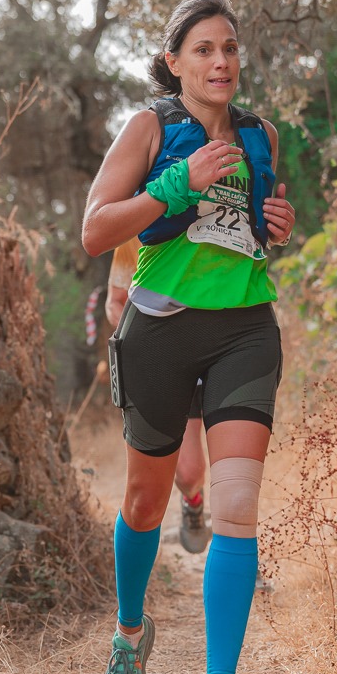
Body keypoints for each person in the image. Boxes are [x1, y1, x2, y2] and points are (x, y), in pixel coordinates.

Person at [82, 0, 295, 674]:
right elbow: (95, 228)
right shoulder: (150, 128)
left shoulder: (260, 135)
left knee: (235, 506)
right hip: (160, 332)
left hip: (245, 328)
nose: (221, 61)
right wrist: (175, 185)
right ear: (174, 61)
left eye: (230, 47)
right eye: (204, 49)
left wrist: (277, 226)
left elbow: (251, 229)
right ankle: (128, 637)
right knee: (146, 502)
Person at [106, 237, 211, 554]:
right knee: (188, 474)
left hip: (219, 346)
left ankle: (237, 542)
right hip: (164, 358)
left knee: (226, 467)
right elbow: (115, 300)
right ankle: (193, 500)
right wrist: (137, 333)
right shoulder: (132, 234)